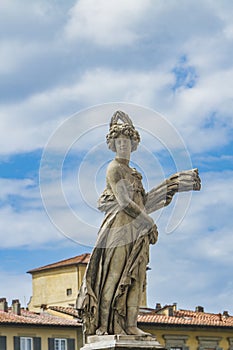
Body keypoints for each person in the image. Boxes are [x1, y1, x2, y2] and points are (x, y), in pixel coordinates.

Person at [76, 110, 201, 337]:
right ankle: (104, 325)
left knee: (136, 277)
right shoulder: (114, 168)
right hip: (119, 228)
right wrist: (149, 222)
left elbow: (142, 203)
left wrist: (173, 186)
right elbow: (124, 202)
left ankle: (130, 325)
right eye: (119, 142)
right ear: (113, 145)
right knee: (112, 278)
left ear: (134, 144)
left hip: (137, 230)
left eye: (127, 141)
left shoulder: (134, 173)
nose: (123, 145)